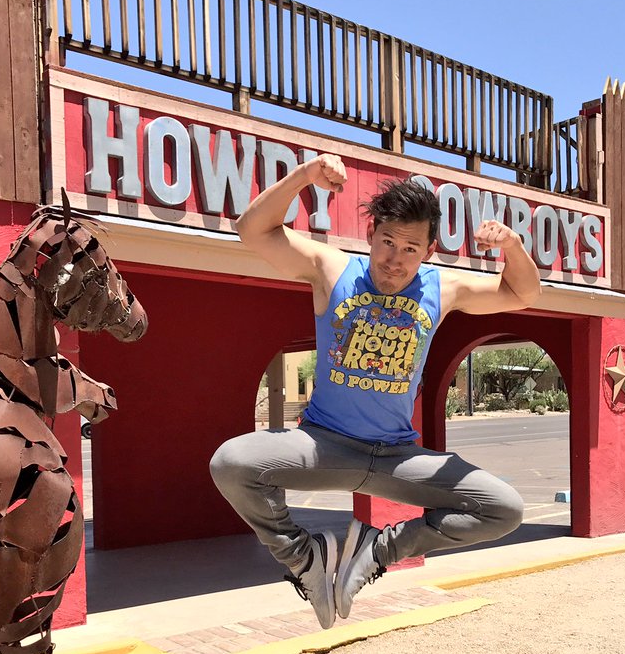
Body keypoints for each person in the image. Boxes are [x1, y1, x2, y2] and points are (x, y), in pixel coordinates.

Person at [210, 153, 542, 629]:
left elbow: (523, 293)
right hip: (324, 445)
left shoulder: (443, 288)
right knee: (231, 463)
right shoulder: (332, 269)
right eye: (387, 242)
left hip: (396, 458)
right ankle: (304, 557)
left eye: (410, 248)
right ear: (371, 235)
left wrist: (512, 245)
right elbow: (253, 230)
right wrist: (303, 176)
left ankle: (377, 550)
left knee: (504, 509)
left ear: (428, 251)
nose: (395, 259)